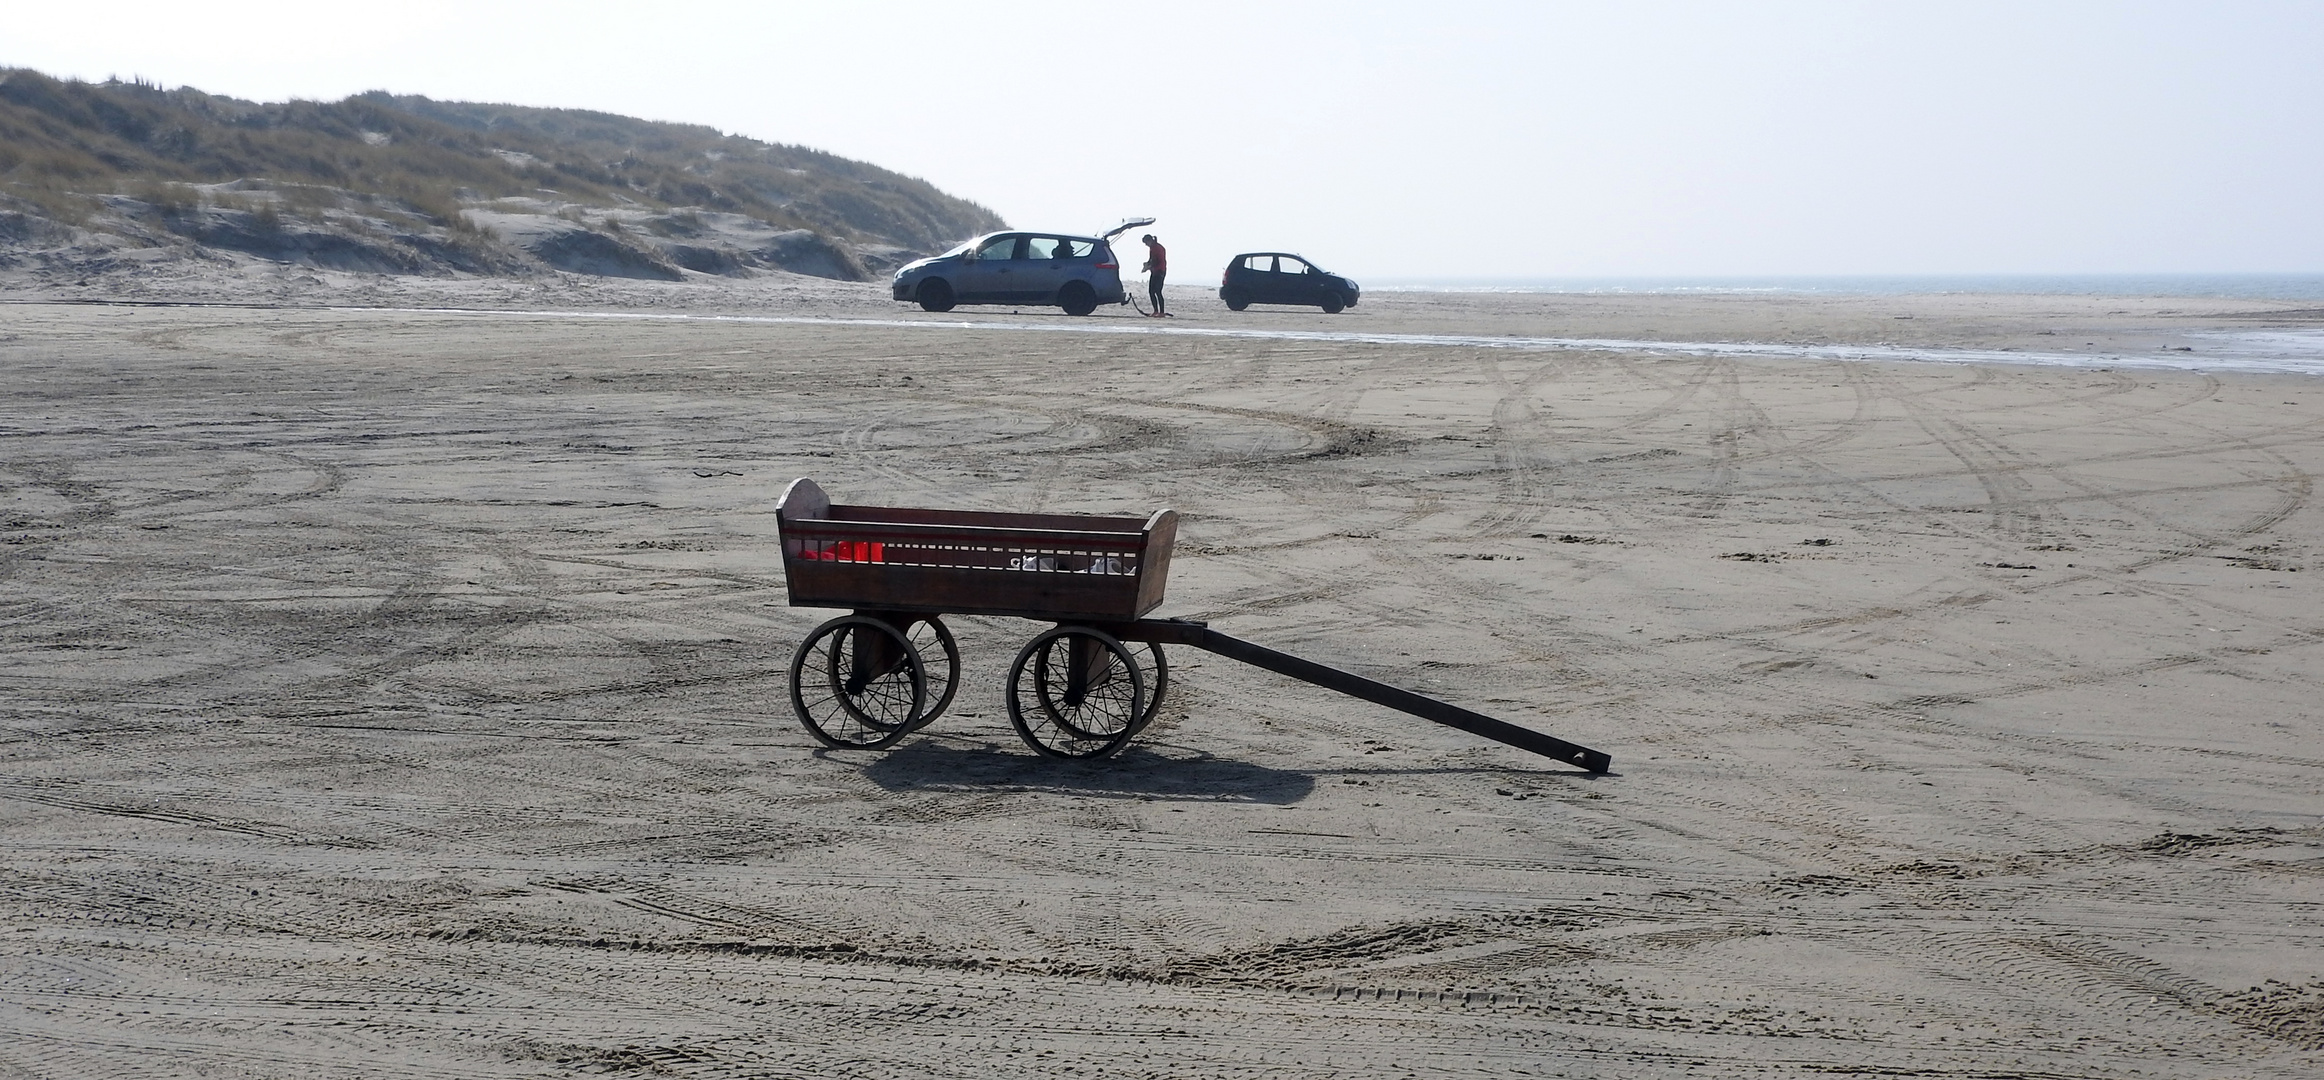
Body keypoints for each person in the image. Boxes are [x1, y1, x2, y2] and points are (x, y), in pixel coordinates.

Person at [1140, 234, 1168, 316]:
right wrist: (1147, 264)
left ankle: (1161, 312)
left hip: (1160, 271)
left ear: (1150, 241)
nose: (1146, 245)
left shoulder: (1158, 248)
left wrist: (1148, 267)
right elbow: (1151, 259)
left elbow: (1157, 261)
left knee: (1158, 291)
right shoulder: (1152, 248)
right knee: (1151, 291)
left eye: (1146, 243)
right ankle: (1156, 311)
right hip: (1154, 271)